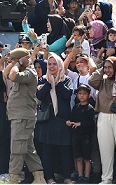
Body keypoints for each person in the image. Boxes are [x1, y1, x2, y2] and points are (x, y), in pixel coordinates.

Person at [87, 56, 116, 184]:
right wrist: (102, 70)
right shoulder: (102, 81)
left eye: (109, 67)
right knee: (105, 149)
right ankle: (106, 178)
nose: (108, 70)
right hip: (104, 116)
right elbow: (91, 80)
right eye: (105, 67)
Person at [3, 47, 45, 184]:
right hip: (19, 116)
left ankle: (13, 179)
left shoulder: (29, 73)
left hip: (23, 117)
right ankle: (39, 178)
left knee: (17, 149)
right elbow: (6, 73)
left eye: (14, 61)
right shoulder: (20, 70)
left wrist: (20, 63)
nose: (12, 63)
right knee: (27, 149)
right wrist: (15, 62)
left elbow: (13, 75)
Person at [35, 53, 74, 182]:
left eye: (54, 64)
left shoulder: (66, 79)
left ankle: (67, 177)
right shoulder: (43, 79)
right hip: (47, 120)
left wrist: (57, 83)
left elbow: (67, 95)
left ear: (59, 65)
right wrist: (49, 82)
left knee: (64, 150)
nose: (51, 66)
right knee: (47, 151)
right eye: (49, 64)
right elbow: (40, 96)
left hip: (62, 120)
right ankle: (49, 178)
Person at [69, 84, 96, 183]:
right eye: (80, 93)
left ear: (89, 95)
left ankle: (87, 176)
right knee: (78, 158)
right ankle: (80, 175)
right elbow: (72, 120)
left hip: (86, 137)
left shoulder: (90, 109)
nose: (82, 95)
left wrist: (81, 123)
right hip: (76, 136)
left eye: (84, 93)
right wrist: (69, 122)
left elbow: (92, 124)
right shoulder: (75, 108)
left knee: (87, 158)